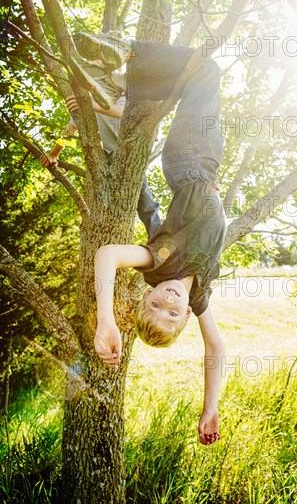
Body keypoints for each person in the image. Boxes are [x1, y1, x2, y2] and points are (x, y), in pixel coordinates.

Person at [88, 33, 227, 445]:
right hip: (204, 160)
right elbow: (216, 349)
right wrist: (210, 406)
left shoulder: (158, 264)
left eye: (154, 306)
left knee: (204, 69)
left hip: (190, 160)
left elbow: (109, 254)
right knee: (193, 77)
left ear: (145, 296)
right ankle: (114, 99)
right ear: (186, 316)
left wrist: (106, 319)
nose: (166, 302)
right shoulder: (198, 295)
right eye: (171, 314)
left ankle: (127, 56)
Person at [40, 55, 162, 239]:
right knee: (111, 205)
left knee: (146, 205)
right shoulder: (88, 103)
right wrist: (53, 154)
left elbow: (125, 113)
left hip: (132, 152)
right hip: (107, 158)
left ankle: (161, 243)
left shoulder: (126, 93)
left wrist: (93, 105)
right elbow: (70, 129)